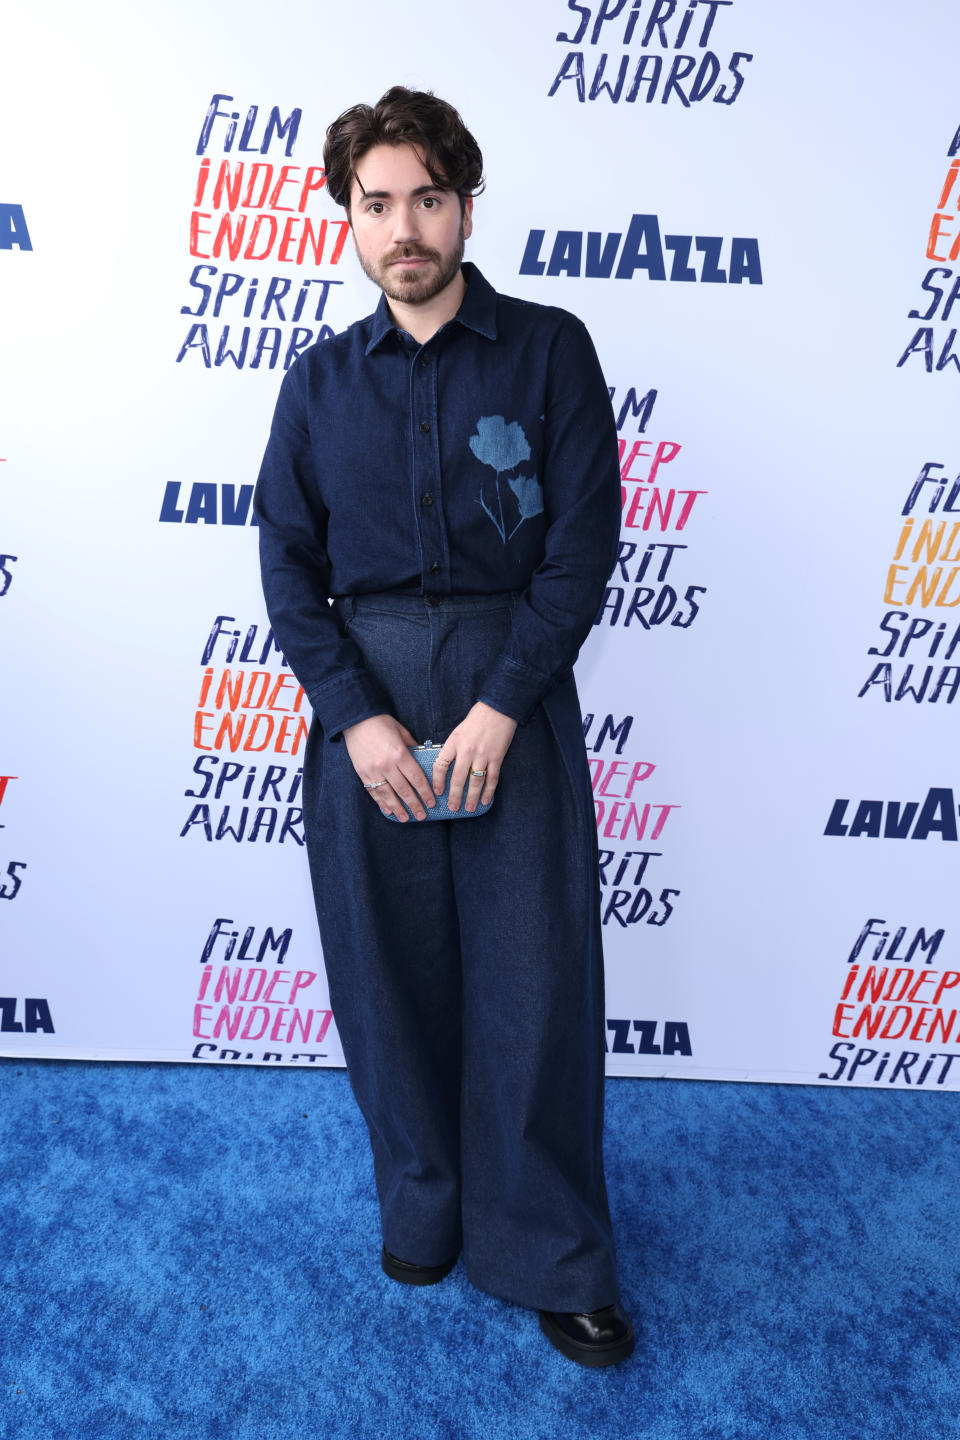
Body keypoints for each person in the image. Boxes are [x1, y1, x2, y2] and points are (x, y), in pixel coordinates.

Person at [254, 86, 633, 1367]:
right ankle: (424, 1204)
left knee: (535, 979)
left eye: (428, 196)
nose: (404, 226)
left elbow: (581, 553)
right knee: (386, 975)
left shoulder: (550, 349)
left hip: (509, 685)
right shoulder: (314, 385)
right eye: (379, 203)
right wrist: (356, 720)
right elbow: (286, 568)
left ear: (467, 203)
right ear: (348, 218)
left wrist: (501, 703)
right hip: (366, 696)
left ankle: (552, 1248)